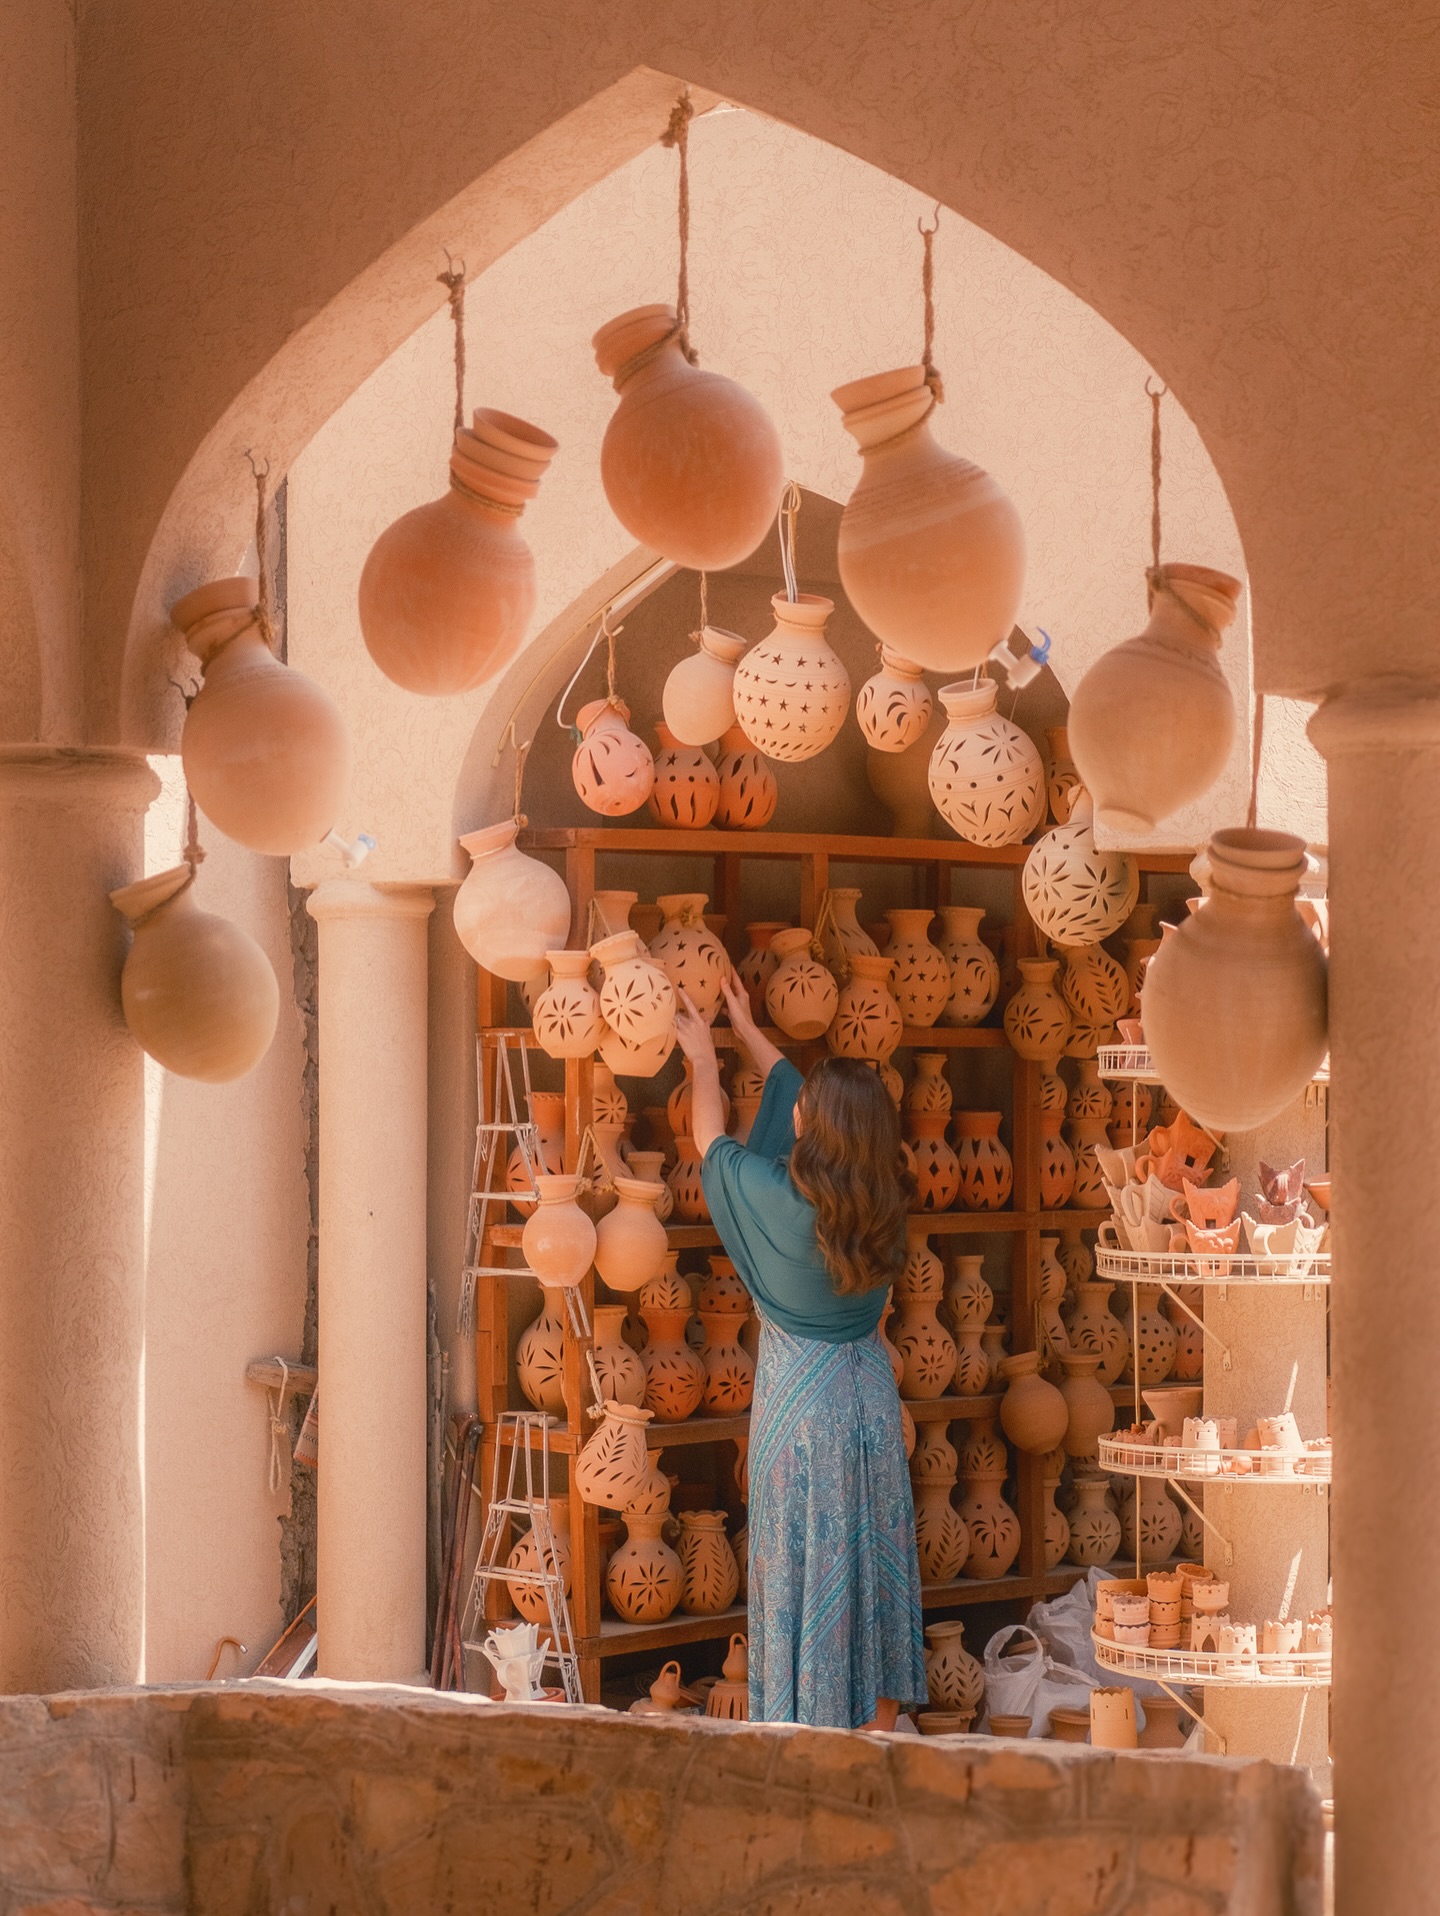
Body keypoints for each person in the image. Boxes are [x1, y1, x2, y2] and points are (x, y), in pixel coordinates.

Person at [674, 972, 927, 1731]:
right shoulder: (888, 1196)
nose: (794, 1106)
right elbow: (793, 1094)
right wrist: (750, 1028)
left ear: (815, 1126)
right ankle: (880, 1729)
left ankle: (805, 1726)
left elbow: (710, 1140)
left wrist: (705, 1060)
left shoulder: (779, 1199)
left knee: (803, 1563)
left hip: (803, 1402)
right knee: (869, 1565)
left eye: (805, 1107)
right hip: (870, 1397)